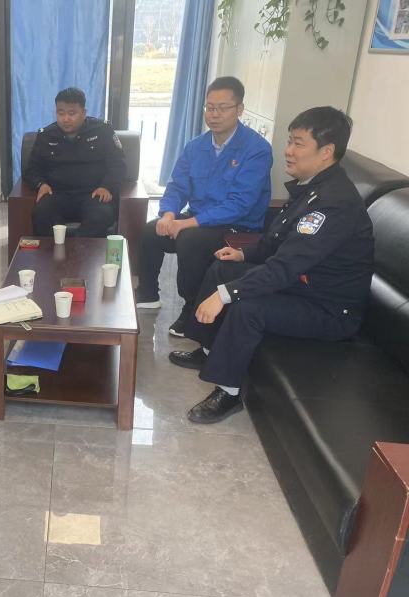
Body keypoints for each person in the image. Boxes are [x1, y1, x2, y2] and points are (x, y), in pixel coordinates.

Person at [169, 106, 374, 424]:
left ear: (326, 151)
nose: (288, 151)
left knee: (248, 306)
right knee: (222, 267)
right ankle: (207, 350)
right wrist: (243, 255)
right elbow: (277, 239)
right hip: (303, 285)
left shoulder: (334, 203)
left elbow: (286, 266)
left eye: (298, 143)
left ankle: (228, 393)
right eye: (290, 141)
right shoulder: (311, 187)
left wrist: (225, 294)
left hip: (329, 309)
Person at [137, 76, 273, 337]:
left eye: (223, 108)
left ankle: (192, 308)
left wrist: (185, 224)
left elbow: (240, 205)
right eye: (210, 108)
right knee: (151, 230)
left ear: (239, 109)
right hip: (198, 218)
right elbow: (177, 186)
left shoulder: (257, 149)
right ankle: (148, 294)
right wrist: (169, 215)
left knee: (191, 240)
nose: (214, 114)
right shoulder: (196, 146)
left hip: (237, 226)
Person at [24, 87, 126, 238]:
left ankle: (77, 248)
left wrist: (107, 186)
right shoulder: (46, 135)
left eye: (72, 113)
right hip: (57, 194)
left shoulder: (103, 131)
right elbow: (32, 169)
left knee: (102, 215)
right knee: (41, 213)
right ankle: (54, 250)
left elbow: (118, 164)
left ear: (83, 113)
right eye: (61, 113)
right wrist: (41, 184)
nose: (66, 119)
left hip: (93, 194)